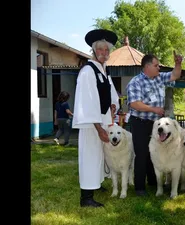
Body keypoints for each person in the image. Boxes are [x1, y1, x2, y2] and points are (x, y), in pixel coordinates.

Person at [72, 29, 120, 207]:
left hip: (102, 120)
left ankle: (96, 184)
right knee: (90, 156)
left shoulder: (103, 70)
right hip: (91, 123)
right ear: (94, 50)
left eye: (107, 50)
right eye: (101, 49)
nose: (104, 53)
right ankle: (86, 197)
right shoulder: (88, 71)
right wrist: (99, 128)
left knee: (100, 156)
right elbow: (87, 100)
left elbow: (111, 94)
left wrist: (114, 105)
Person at [127, 51, 183, 196]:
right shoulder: (135, 82)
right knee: (141, 154)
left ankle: (153, 182)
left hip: (155, 124)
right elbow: (134, 103)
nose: (159, 68)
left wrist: (178, 64)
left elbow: (175, 75)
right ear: (147, 66)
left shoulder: (159, 77)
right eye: (156, 65)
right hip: (140, 122)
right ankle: (139, 187)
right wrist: (153, 109)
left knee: (155, 152)